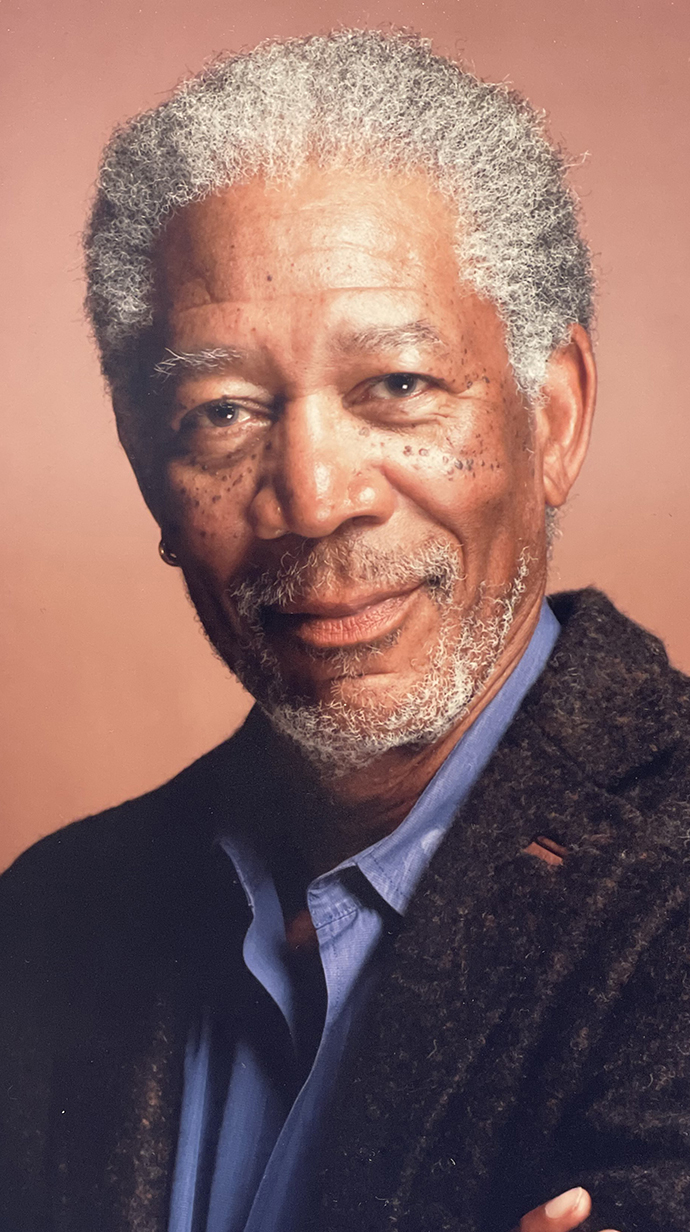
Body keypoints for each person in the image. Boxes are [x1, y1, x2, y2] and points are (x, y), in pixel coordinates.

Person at [1, 28, 688, 1232]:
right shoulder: (53, 917)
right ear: (150, 471)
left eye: (399, 386)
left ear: (558, 411)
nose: (314, 496)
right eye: (223, 410)